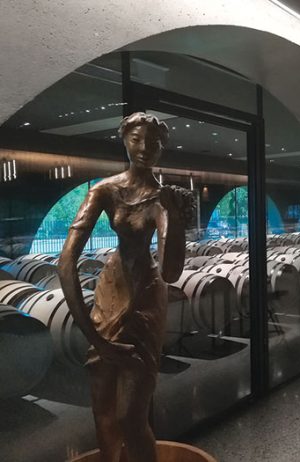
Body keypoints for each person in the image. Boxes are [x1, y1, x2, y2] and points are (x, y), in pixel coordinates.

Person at [58, 112, 193, 462]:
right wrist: (95, 337)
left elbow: (171, 271)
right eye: (136, 139)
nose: (145, 147)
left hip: (146, 296)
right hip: (110, 292)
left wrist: (176, 219)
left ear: (162, 149)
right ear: (124, 140)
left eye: (154, 142)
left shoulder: (163, 198)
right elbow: (66, 262)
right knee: (102, 412)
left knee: (130, 418)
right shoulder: (105, 190)